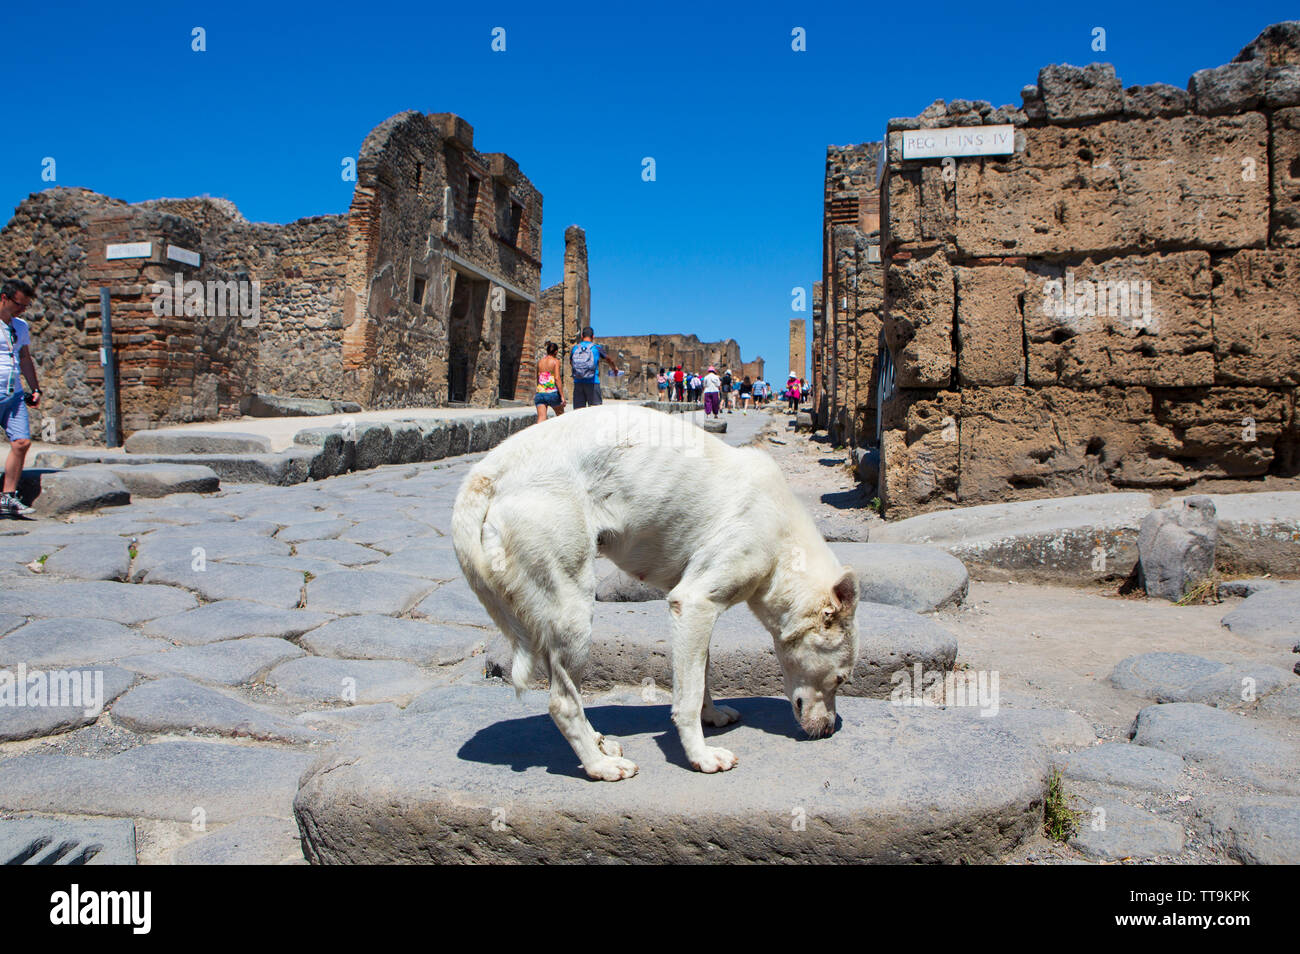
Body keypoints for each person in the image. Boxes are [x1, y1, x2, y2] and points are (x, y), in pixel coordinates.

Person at [1, 279, 39, 518]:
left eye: (26, 305)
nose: (22, 309)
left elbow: (25, 358)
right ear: (4, 298)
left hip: (13, 394)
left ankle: (7, 497)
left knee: (22, 443)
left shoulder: (20, 326)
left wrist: (35, 388)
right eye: (19, 304)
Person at [569, 326, 619, 410]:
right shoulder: (596, 348)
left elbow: (571, 362)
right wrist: (614, 368)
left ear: (582, 336)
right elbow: (609, 359)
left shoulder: (575, 348)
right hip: (593, 382)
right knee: (595, 411)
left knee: (578, 412)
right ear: (593, 337)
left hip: (578, 383)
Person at [534, 340, 566, 423]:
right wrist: (562, 396)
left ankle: (537, 435)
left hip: (540, 392)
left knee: (541, 418)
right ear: (556, 352)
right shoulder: (556, 361)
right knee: (561, 416)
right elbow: (557, 378)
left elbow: (538, 377)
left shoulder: (540, 362)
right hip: (552, 393)